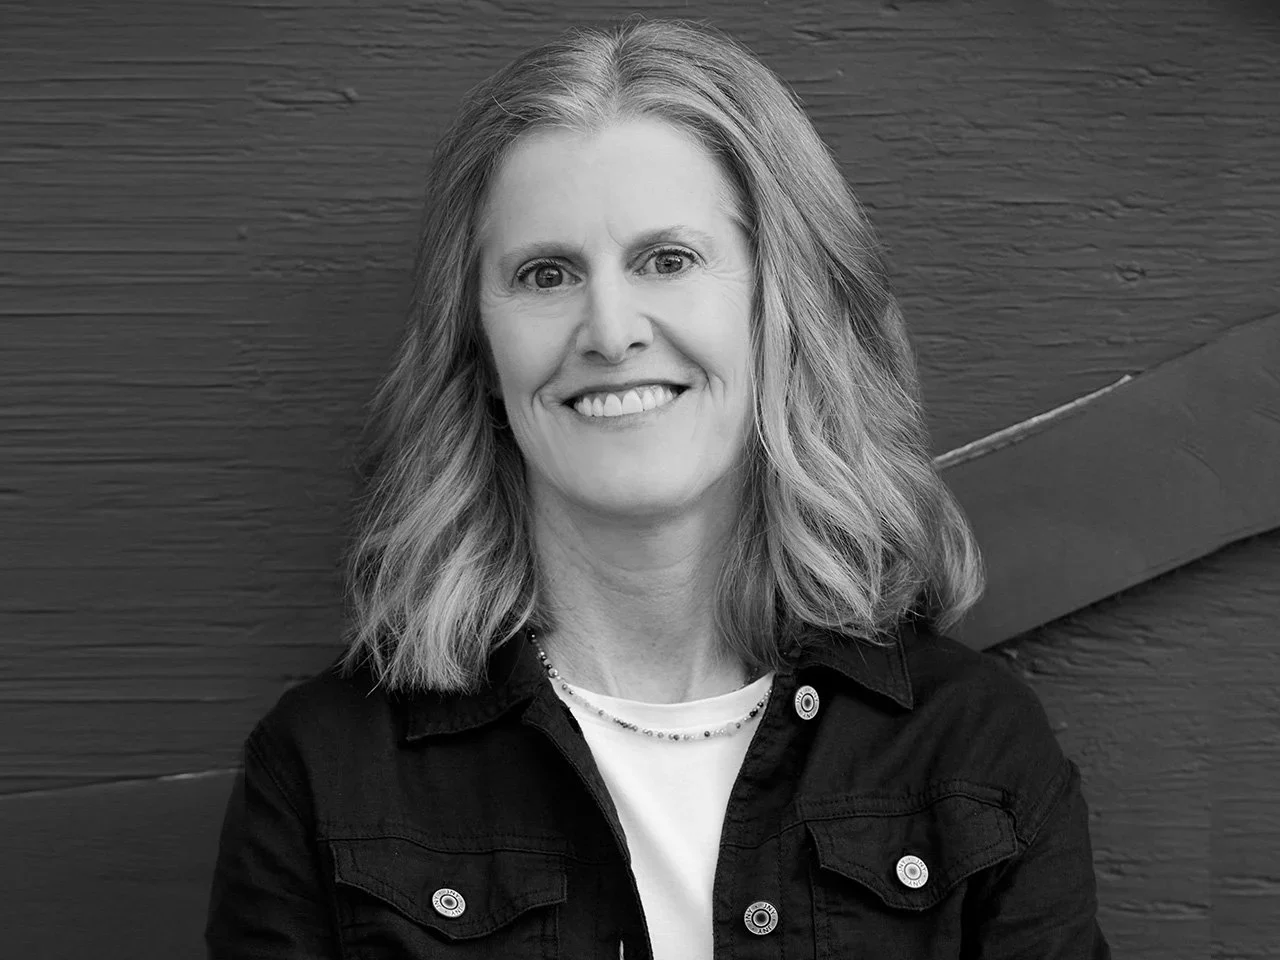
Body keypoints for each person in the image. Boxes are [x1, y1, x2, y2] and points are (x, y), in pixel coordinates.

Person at [205, 17, 1110, 959]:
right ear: (478, 351)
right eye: (546, 273)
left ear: (779, 308)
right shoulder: (328, 771)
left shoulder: (970, 755)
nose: (608, 329)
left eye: (666, 261)